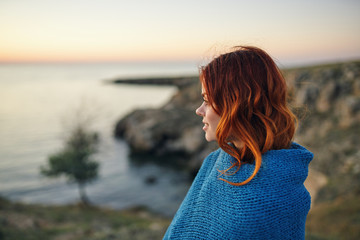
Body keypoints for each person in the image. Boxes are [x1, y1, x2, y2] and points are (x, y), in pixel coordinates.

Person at [163, 46, 313, 239]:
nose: (199, 110)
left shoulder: (269, 200)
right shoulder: (215, 162)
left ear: (237, 105)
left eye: (207, 101)